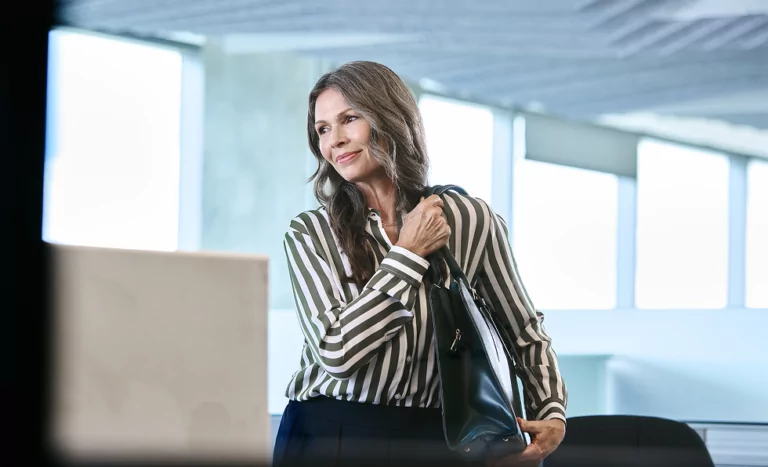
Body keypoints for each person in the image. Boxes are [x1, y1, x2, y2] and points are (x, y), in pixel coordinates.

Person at [273, 61, 567, 467]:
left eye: (350, 119)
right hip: (330, 433)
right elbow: (337, 352)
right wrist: (408, 255)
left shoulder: (470, 220)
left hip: (438, 439)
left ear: (390, 118)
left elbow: (523, 331)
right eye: (323, 129)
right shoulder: (311, 233)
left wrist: (551, 412)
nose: (335, 140)